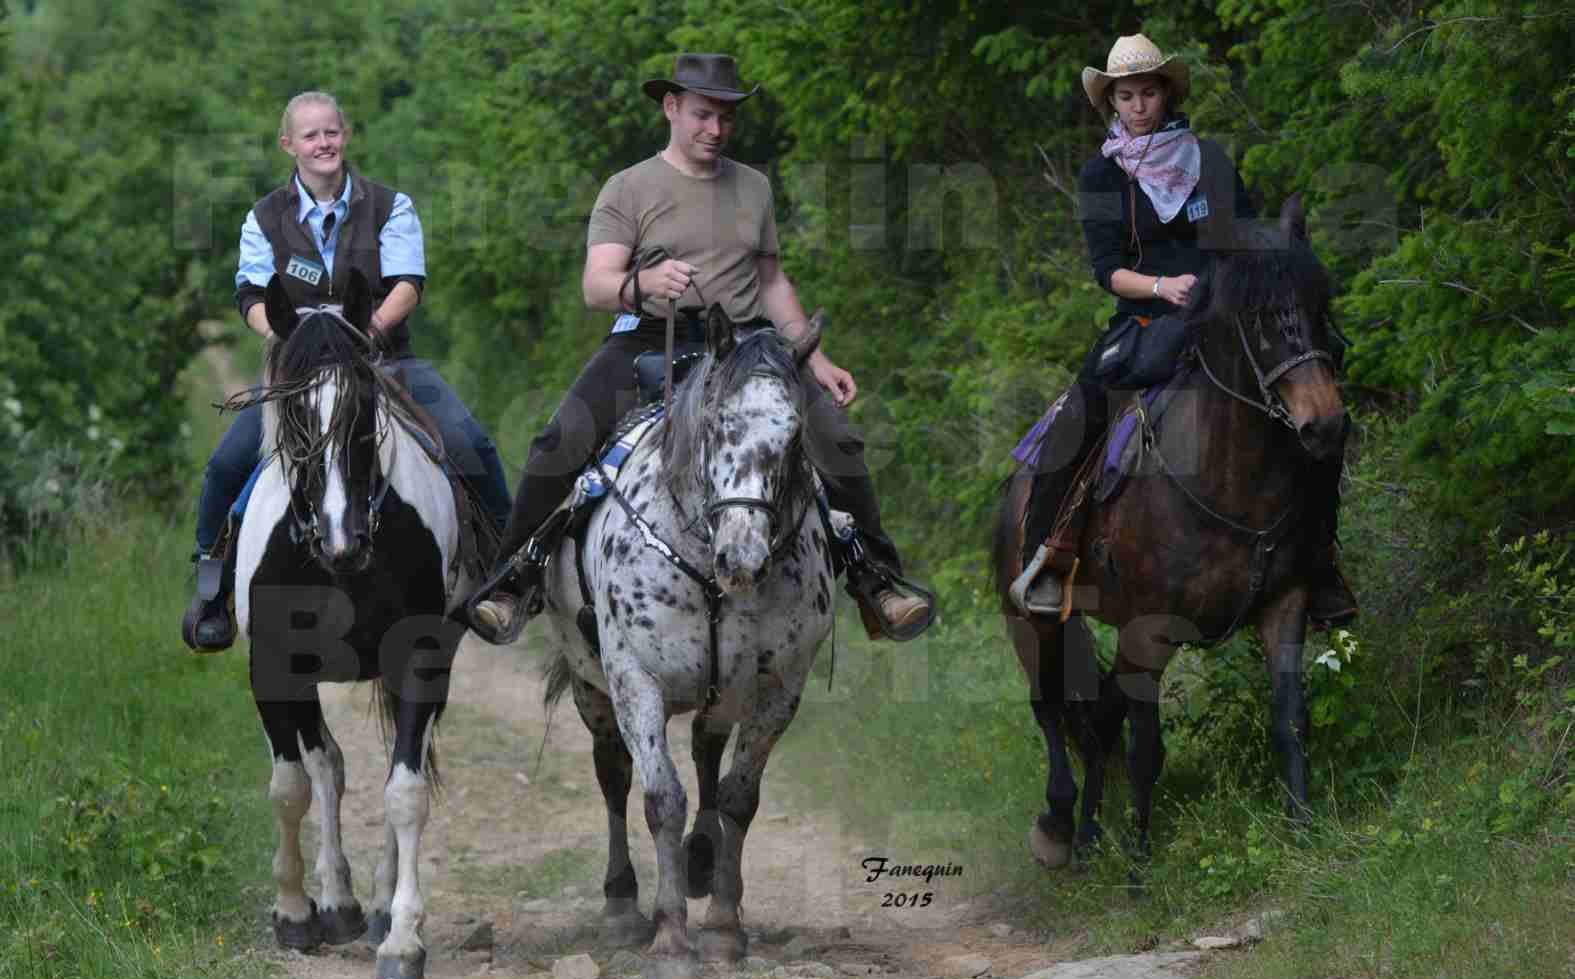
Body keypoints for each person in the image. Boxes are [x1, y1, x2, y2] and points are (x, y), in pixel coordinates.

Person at [466, 53, 932, 644]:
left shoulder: (754, 187)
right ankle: (514, 580)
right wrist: (643, 286)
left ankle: (877, 582)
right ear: (672, 108)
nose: (716, 129)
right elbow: (596, 284)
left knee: (837, 441)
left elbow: (771, 282)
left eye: (726, 118)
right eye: (703, 115)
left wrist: (814, 358)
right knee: (558, 441)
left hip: (747, 344)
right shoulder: (629, 187)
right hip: (651, 341)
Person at [1010, 34, 1357, 626]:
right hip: (1146, 316)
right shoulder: (1100, 176)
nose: (1139, 105)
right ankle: (1049, 553)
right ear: (1111, 103)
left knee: (1317, 408)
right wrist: (1160, 287)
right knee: (1080, 410)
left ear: (1165, 94)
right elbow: (1106, 269)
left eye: (1148, 92)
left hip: (1226, 319)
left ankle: (1317, 559)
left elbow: (1244, 238)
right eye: (1126, 95)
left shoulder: (1209, 159)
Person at [181, 91, 512, 653]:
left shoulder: (390, 206)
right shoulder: (263, 217)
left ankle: (507, 577)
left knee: (470, 443)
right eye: (310, 136)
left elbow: (408, 283)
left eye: (331, 132)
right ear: (289, 145)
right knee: (225, 466)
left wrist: (367, 333)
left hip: (387, 359)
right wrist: (291, 343)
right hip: (300, 371)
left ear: (346, 136)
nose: (323, 143)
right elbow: (251, 296)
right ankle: (212, 593)